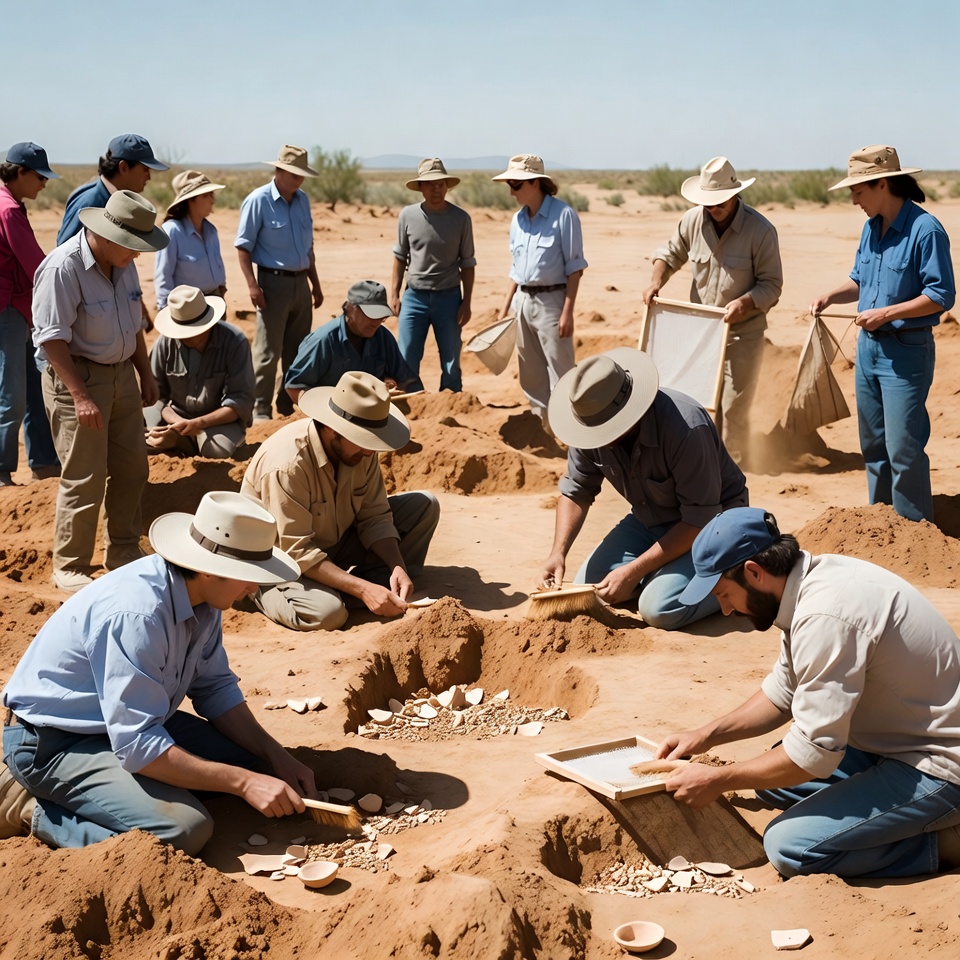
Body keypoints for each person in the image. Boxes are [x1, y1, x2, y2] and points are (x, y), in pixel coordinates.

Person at [0, 490, 317, 854]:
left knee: (259, 764)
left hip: (125, 726)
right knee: (184, 830)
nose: (254, 587)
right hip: (56, 742)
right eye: (246, 574)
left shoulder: (206, 601)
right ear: (207, 570)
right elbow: (137, 745)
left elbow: (214, 690)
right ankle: (29, 806)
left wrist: (276, 755)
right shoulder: (138, 615)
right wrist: (243, 784)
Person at [658, 506, 960, 878]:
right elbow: (783, 691)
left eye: (724, 594)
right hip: (891, 742)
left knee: (788, 846)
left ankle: (947, 843)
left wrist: (720, 779)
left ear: (754, 572)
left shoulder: (825, 616)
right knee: (772, 787)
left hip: (939, 765)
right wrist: (704, 736)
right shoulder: (808, 583)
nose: (725, 609)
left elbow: (815, 754)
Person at [539, 348, 747, 630]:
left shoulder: (686, 427)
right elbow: (577, 491)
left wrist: (635, 570)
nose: (600, 438)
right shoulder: (590, 420)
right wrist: (557, 553)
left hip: (716, 524)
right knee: (590, 588)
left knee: (658, 608)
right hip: (651, 519)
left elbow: (701, 519)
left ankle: (739, 573)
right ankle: (666, 573)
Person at [810, 145, 955, 523]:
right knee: (873, 446)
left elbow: (941, 296)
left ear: (883, 184)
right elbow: (860, 280)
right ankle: (880, 526)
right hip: (868, 351)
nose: (854, 199)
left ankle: (914, 530)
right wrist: (830, 296)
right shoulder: (871, 227)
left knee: (903, 448)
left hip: (906, 353)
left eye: (858, 191)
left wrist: (887, 313)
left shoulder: (926, 230)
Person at [33, 190, 167, 593]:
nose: (138, 256)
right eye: (133, 247)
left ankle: (123, 549)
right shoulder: (62, 268)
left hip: (122, 375)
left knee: (133, 468)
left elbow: (134, 326)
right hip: (78, 379)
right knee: (85, 476)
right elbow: (51, 340)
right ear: (107, 236)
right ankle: (70, 564)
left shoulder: (121, 263)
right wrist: (80, 397)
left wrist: (145, 374)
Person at [241, 371, 440, 631]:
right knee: (328, 615)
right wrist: (363, 590)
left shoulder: (360, 450)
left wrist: (397, 565)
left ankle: (366, 587)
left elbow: (375, 516)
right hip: (278, 560)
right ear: (331, 428)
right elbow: (297, 550)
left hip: (329, 545)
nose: (370, 451)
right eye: (362, 440)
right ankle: (261, 592)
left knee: (424, 506)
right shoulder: (287, 465)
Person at [642, 157, 783, 462]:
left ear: (734, 195)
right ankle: (702, 462)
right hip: (702, 332)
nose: (713, 208)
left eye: (719, 202)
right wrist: (657, 280)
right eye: (708, 202)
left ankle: (734, 467)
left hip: (743, 333)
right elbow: (669, 253)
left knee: (733, 407)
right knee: (699, 399)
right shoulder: (692, 220)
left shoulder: (761, 231)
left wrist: (744, 303)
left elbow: (772, 286)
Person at [492, 155, 587, 429]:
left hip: (552, 303)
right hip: (521, 302)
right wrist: (505, 307)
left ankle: (572, 432)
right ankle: (545, 429)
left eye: (515, 184)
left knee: (561, 370)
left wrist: (567, 312)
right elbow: (515, 268)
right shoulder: (517, 220)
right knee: (530, 373)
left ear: (535, 182)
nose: (511, 191)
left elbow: (575, 268)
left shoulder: (564, 215)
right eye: (510, 184)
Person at [235, 145, 323, 421]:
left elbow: (308, 249)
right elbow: (243, 247)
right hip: (272, 284)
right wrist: (252, 285)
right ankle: (261, 408)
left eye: (302, 175)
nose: (299, 180)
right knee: (268, 351)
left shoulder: (303, 200)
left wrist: (315, 284)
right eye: (294, 174)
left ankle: (287, 404)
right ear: (280, 170)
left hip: (300, 284)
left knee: (297, 350)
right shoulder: (258, 200)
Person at [0, 142, 60, 486]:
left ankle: (44, 463)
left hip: (18, 308)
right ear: (20, 172)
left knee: (34, 388)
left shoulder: (9, 203)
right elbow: (35, 264)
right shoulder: (8, 210)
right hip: (10, 309)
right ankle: (2, 470)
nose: (44, 183)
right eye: (39, 176)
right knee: (12, 396)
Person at [390, 158, 476, 392]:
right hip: (414, 297)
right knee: (406, 356)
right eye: (429, 184)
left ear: (447, 186)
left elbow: (468, 264)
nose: (436, 188)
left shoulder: (461, 219)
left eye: (440, 184)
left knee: (451, 360)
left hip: (448, 297)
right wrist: (394, 295)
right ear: (421, 187)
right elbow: (399, 257)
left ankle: (450, 401)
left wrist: (466, 302)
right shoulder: (407, 216)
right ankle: (410, 402)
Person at [145, 286, 254, 459]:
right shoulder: (164, 344)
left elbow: (239, 402)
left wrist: (199, 423)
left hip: (218, 421)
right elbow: (156, 396)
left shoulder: (235, 342)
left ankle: (185, 442)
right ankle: (179, 440)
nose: (184, 337)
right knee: (145, 442)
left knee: (218, 451)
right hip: (175, 418)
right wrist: (177, 424)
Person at [284, 280, 422, 405]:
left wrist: (392, 385)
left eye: (381, 316)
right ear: (350, 308)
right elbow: (294, 387)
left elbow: (406, 379)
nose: (377, 322)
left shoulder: (382, 337)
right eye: (371, 315)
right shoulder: (323, 340)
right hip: (331, 415)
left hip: (372, 411)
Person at [56, 134, 169, 246]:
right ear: (124, 167)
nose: (149, 177)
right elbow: (65, 253)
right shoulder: (90, 201)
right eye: (145, 169)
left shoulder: (113, 200)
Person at [154, 170, 226, 310]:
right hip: (188, 308)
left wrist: (221, 288)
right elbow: (164, 275)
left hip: (216, 302)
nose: (212, 200)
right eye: (206, 195)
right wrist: (165, 309)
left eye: (212, 195)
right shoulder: (172, 231)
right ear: (190, 201)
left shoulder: (211, 230)